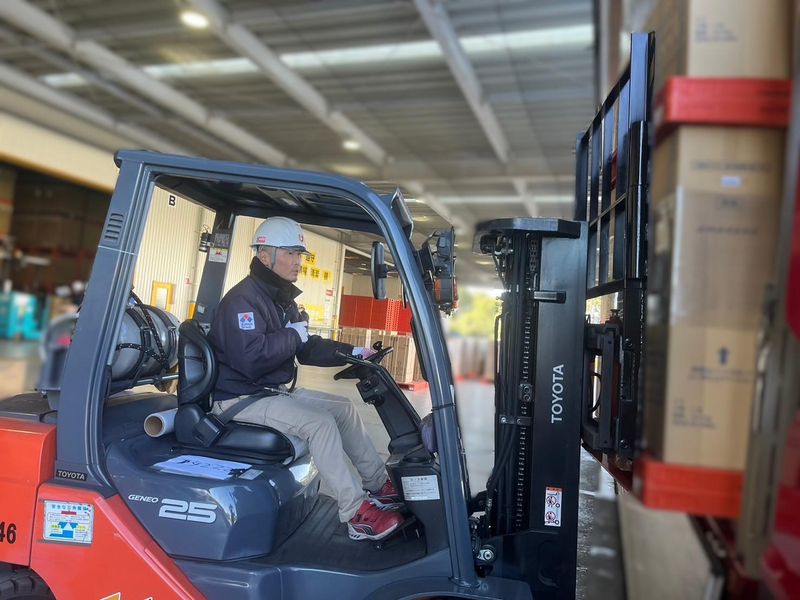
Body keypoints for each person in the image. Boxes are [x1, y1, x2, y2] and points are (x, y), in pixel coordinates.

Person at [208, 217, 404, 541]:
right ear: (265, 255)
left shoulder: (280, 299)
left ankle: (378, 484)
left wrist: (354, 352)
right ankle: (355, 513)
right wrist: (291, 334)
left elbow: (307, 347)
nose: (299, 261)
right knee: (319, 423)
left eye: (300, 254)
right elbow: (250, 360)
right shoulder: (242, 301)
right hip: (239, 398)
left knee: (343, 408)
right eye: (291, 253)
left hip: (270, 392)